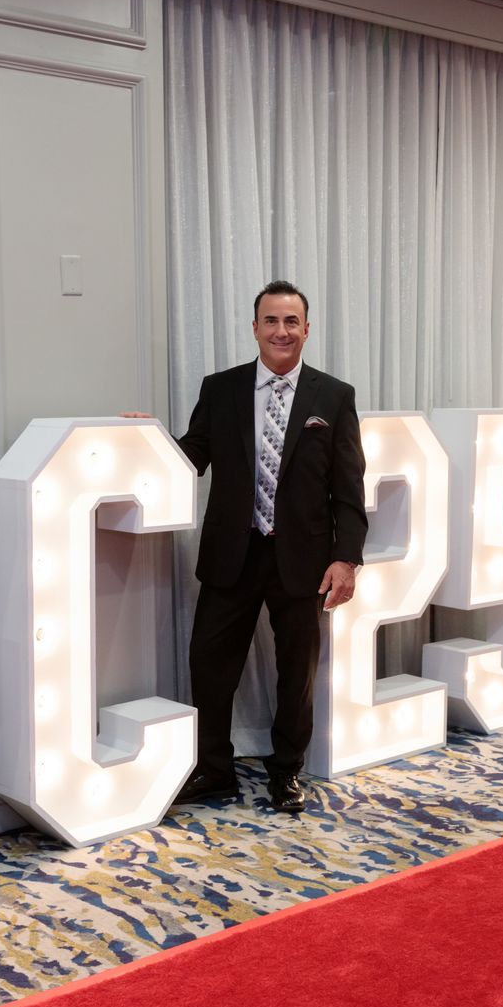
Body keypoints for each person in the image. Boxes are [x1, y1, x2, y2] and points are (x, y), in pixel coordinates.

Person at [154, 280, 365, 815]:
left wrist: (347, 557)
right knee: (209, 663)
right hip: (233, 552)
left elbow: (348, 487)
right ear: (254, 328)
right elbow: (190, 456)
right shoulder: (221, 389)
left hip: (303, 560)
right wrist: (142, 446)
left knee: (296, 673)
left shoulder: (334, 397)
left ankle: (286, 771)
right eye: (271, 321)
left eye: (291, 322)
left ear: (307, 330)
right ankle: (214, 768)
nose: (281, 331)